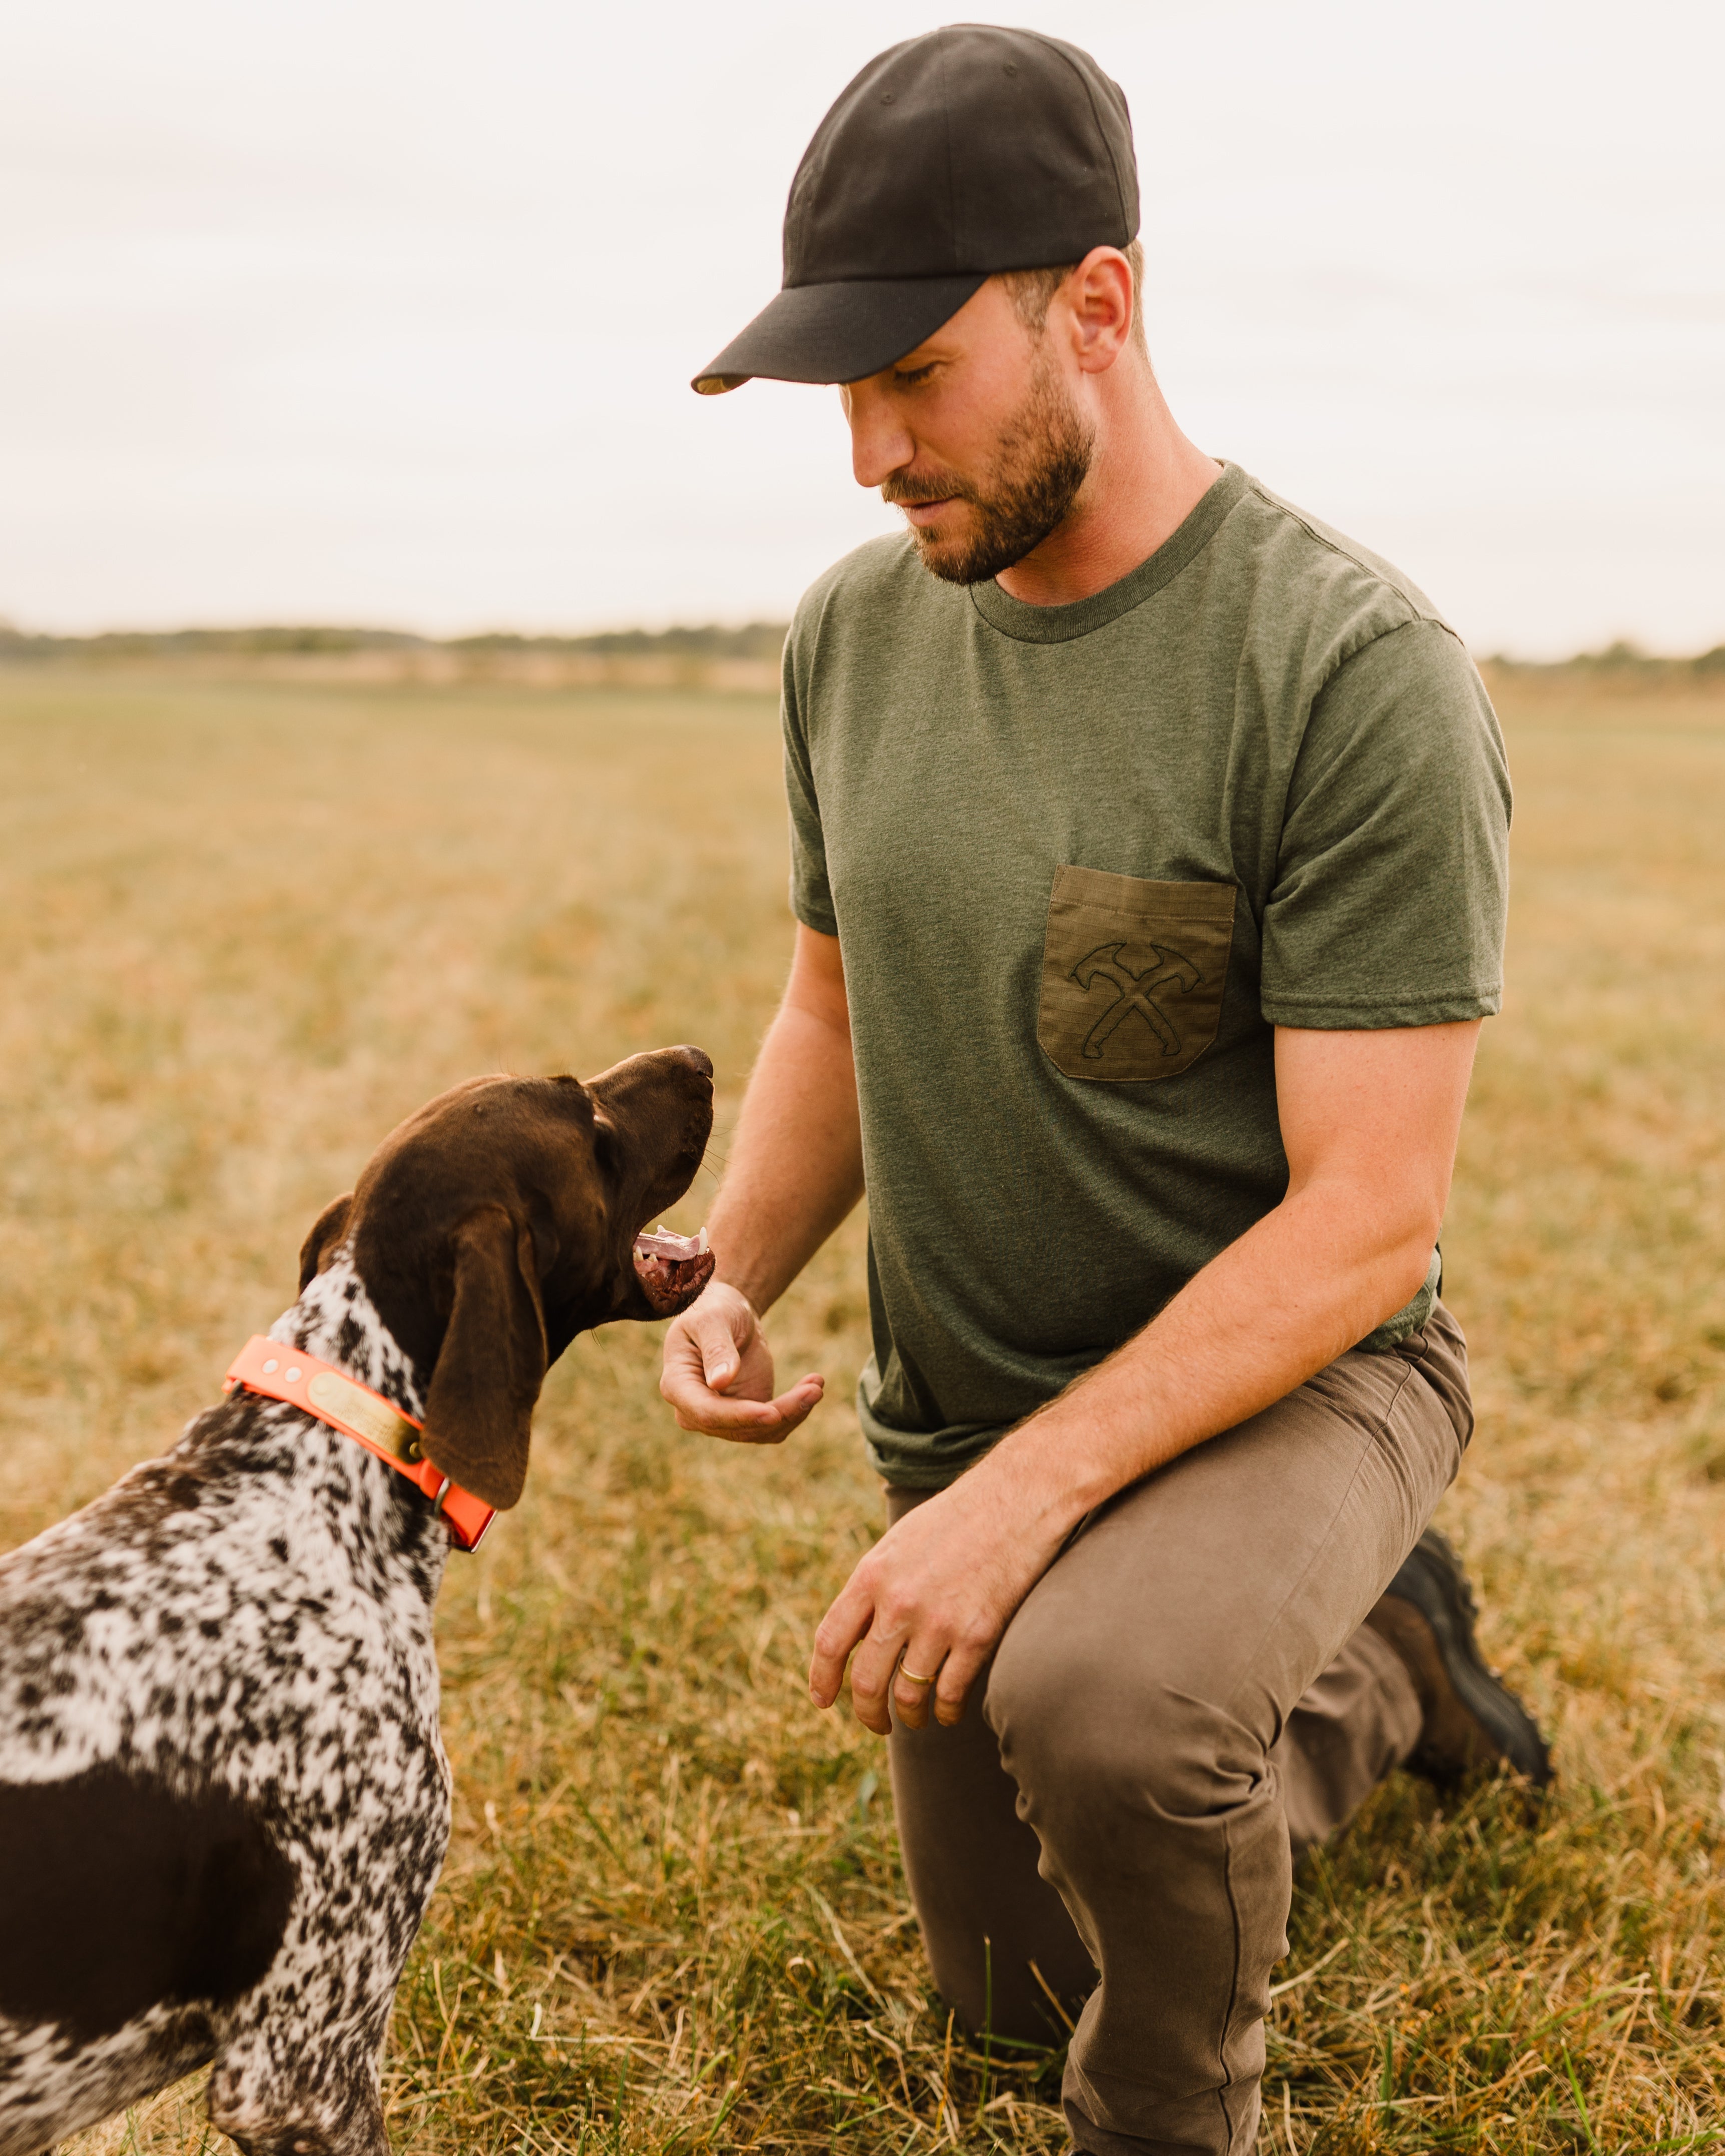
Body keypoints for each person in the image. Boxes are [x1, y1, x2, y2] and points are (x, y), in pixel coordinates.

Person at [663, 25, 1550, 2156]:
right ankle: (1377, 1675)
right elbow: (831, 1010)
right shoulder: (852, 640)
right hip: (979, 1418)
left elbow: (1364, 1221)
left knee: (1110, 1722)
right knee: (1000, 1988)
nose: (870, 449)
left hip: (1299, 1384)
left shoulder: (1347, 671)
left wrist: (1020, 1501)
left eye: (915, 376)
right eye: (840, 394)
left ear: (1098, 304)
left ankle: (1177, 2108)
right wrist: (739, 1268)